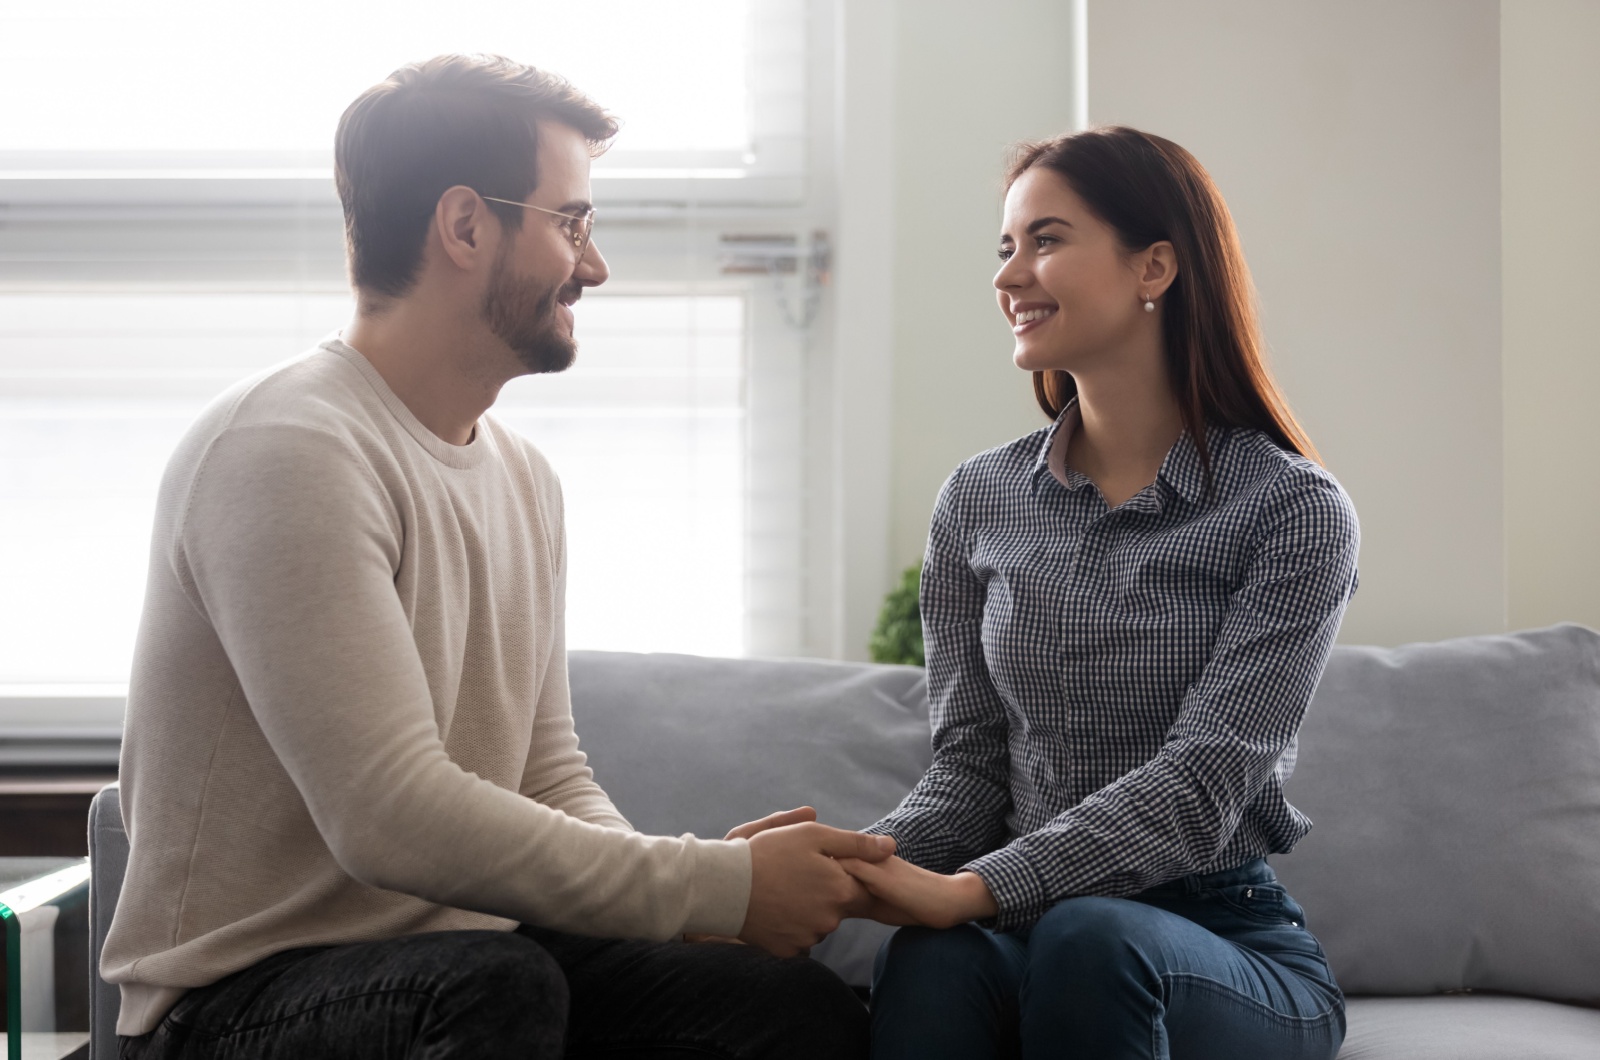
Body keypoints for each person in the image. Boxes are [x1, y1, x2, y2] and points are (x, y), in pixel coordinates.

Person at [102, 54, 894, 1060]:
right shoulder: (289, 447)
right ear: (467, 225)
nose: (593, 265)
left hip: (459, 966)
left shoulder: (522, 477)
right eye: (572, 223)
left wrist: (672, 903)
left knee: (780, 1004)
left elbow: (545, 766)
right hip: (234, 1007)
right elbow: (388, 815)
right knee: (496, 985)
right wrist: (711, 882)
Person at [837, 126, 1359, 1059]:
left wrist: (977, 891)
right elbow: (970, 772)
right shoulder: (977, 500)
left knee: (1092, 935)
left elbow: (1204, 785)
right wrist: (842, 869)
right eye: (1006, 247)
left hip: (1220, 937)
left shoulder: (1292, 511)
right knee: (934, 958)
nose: (1009, 276)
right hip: (1034, 925)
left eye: (1046, 240)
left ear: (1153, 265)